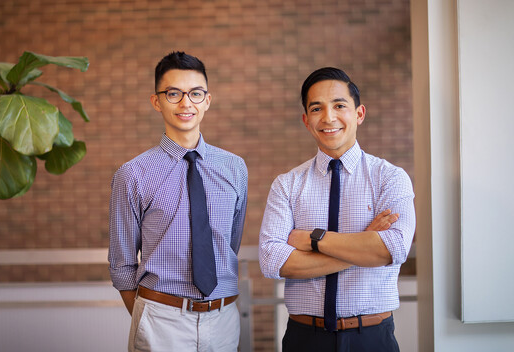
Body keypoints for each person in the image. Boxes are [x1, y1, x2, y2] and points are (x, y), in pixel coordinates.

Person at [259, 67, 415, 351]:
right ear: (307, 121)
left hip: (370, 337)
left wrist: (312, 240)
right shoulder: (287, 185)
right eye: (317, 108)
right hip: (304, 337)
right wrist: (364, 241)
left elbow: (392, 249)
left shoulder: (390, 178)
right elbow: (272, 262)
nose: (328, 117)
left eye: (339, 105)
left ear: (359, 114)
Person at [109, 51, 248, 352]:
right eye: (174, 93)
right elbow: (121, 263)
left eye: (195, 94)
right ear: (156, 101)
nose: (186, 103)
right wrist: (148, 315)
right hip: (161, 319)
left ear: (207, 101)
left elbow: (229, 244)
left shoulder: (234, 168)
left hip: (224, 318)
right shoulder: (132, 174)